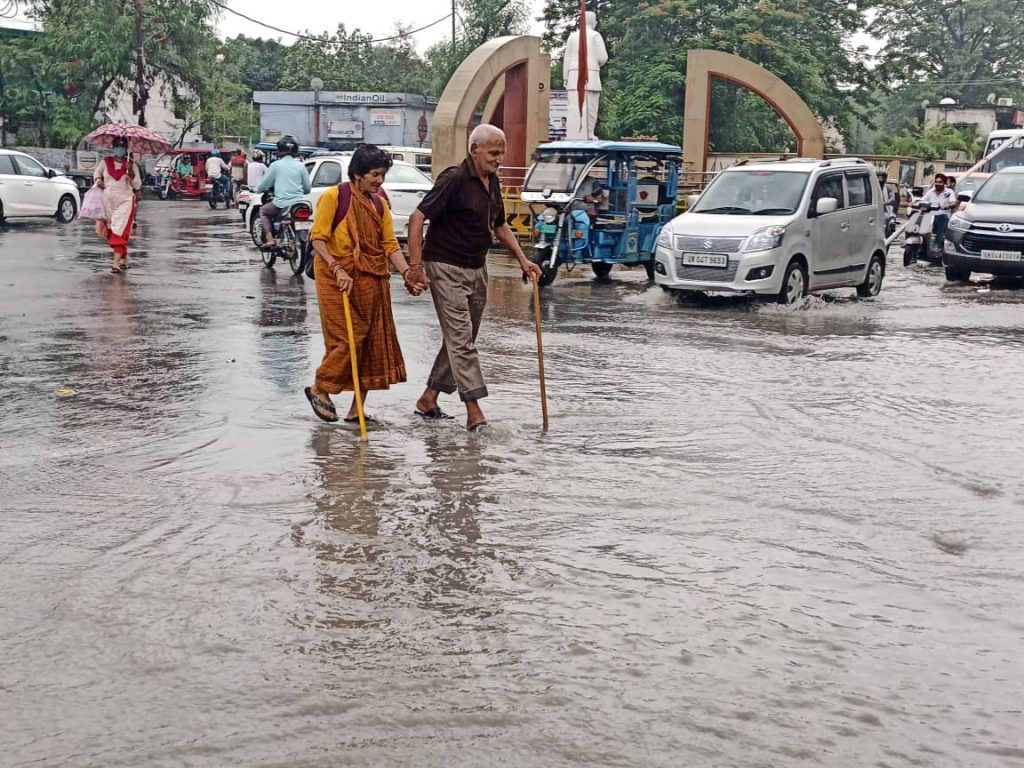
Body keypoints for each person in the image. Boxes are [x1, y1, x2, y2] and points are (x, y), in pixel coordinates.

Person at [406, 124, 542, 433]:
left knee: (461, 339)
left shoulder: (492, 181)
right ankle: (474, 412)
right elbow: (417, 217)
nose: (499, 159)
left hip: (477, 268)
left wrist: (523, 261)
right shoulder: (453, 179)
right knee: (462, 341)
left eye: (502, 153)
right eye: (494, 153)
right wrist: (415, 267)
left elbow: (500, 225)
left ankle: (429, 398)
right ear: (474, 151)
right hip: (445, 266)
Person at [303, 144, 426, 424]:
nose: (380, 180)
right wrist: (337, 269)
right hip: (337, 279)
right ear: (358, 173)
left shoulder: (379, 204)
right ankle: (319, 388)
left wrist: (407, 273)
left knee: (371, 343)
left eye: (382, 175)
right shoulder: (334, 198)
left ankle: (357, 408)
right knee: (346, 340)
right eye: (374, 174)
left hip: (372, 279)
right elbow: (318, 238)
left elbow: (389, 244)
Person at [93, 136, 142, 273]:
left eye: (122, 146)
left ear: (126, 148)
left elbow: (137, 185)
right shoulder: (105, 162)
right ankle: (124, 258)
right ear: (113, 148)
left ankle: (115, 263)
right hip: (108, 201)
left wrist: (131, 172)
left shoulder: (131, 164)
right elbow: (97, 174)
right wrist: (98, 181)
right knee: (111, 230)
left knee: (120, 230)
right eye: (117, 145)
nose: (119, 148)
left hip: (125, 201)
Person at [254, 135, 311, 250]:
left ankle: (270, 239)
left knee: (263, 211)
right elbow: (307, 189)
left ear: (279, 149)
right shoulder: (301, 166)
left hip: (281, 203)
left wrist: (257, 189)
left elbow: (264, 184)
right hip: (299, 203)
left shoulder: (276, 165)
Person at [563, 11, 609, 139]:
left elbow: (566, 58)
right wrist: (596, 64)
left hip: (573, 77)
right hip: (591, 75)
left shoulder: (572, 37)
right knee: (590, 106)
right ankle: (588, 133)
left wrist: (566, 77)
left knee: (574, 107)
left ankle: (573, 133)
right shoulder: (595, 35)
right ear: (594, 22)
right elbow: (603, 57)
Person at [920, 173, 957, 252]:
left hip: (942, 215)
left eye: (940, 182)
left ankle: (936, 245)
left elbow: (953, 202)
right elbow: (923, 200)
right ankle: (919, 244)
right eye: (936, 182)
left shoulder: (949, 192)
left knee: (942, 220)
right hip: (929, 215)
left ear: (944, 183)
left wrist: (946, 206)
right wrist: (915, 204)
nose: (937, 184)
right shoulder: (930, 191)